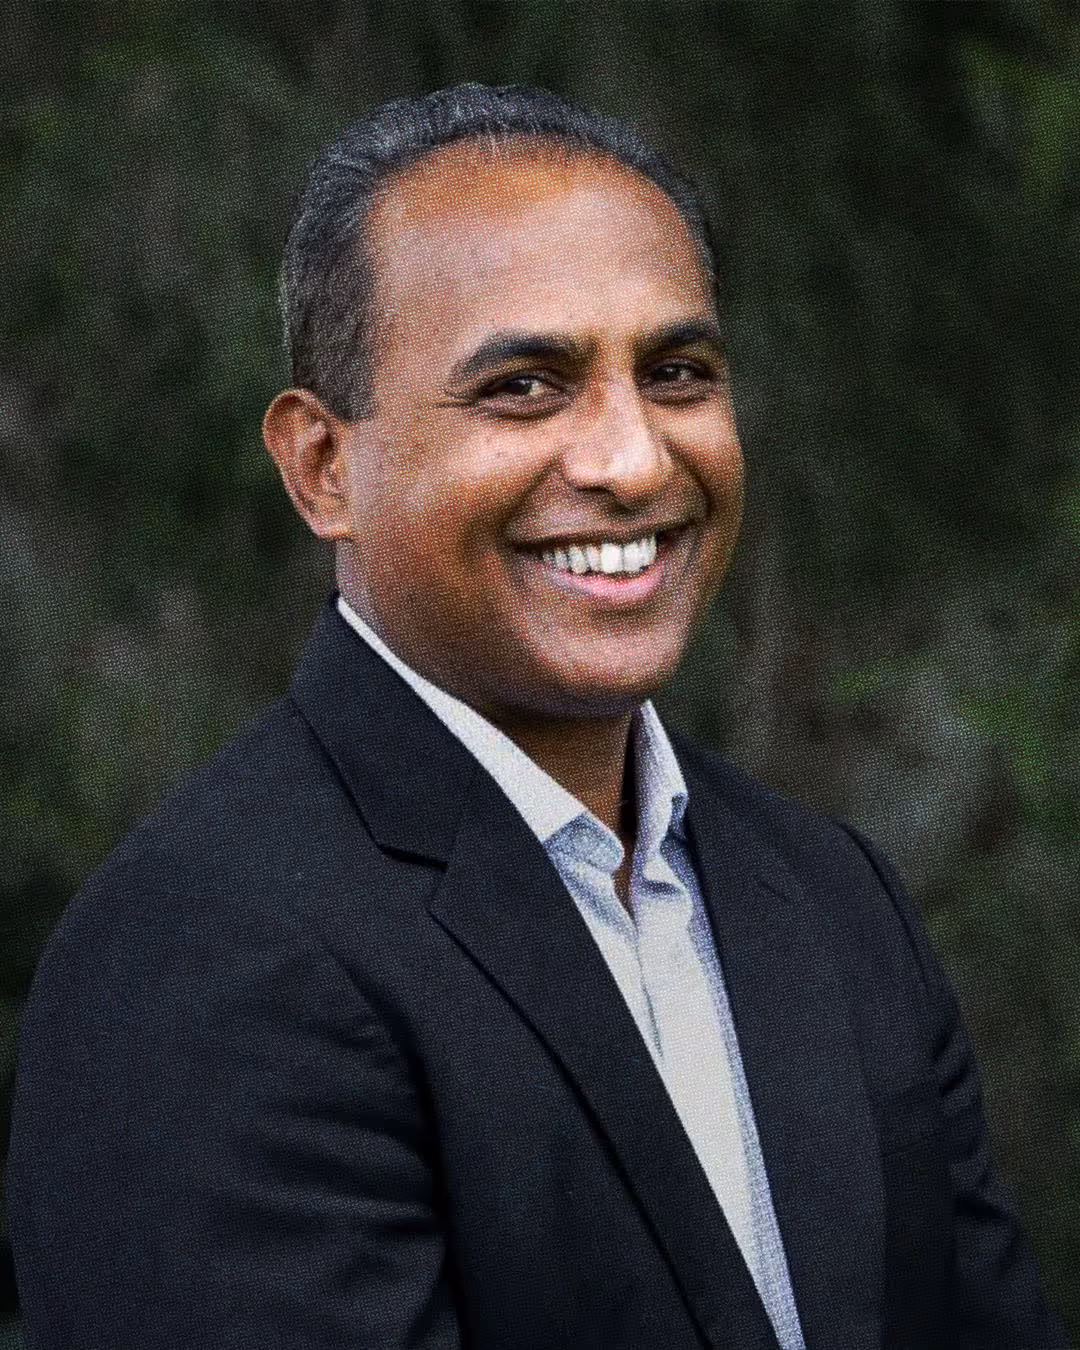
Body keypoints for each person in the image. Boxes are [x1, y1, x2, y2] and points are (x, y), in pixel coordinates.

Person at [7, 83, 1066, 1350]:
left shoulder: (835, 901)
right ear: (322, 467)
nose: (633, 459)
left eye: (677, 374)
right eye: (524, 387)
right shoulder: (202, 957)